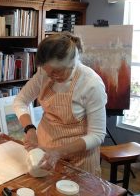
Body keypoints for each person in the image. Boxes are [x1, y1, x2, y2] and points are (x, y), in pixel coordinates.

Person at [13, 32, 107, 176]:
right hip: (46, 152)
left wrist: (58, 152)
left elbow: (97, 135)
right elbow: (20, 101)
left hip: (80, 159)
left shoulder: (91, 83)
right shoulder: (44, 74)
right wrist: (30, 129)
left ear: (72, 63)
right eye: (48, 72)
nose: (52, 77)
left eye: (57, 72)